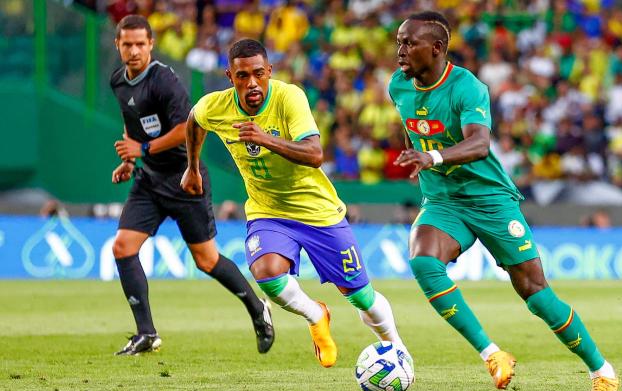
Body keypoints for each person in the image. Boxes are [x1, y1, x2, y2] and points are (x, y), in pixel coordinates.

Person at [390, 11, 618, 391]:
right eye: (399, 41)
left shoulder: (467, 87)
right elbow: (415, 128)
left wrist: (434, 158)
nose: (400, 51)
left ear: (438, 48)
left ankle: (602, 370)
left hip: (490, 200)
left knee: (535, 293)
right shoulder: (398, 85)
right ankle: (493, 354)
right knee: (424, 262)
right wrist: (417, 156)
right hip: (443, 200)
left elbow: (480, 144)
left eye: (410, 43)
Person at [181, 38, 405, 368]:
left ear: (269, 71)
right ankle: (316, 315)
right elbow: (194, 121)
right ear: (230, 77)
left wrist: (263, 138)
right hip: (267, 210)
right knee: (267, 273)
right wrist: (191, 167)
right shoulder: (216, 106)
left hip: (317, 211)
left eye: (259, 73)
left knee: (360, 296)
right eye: (243, 76)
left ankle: (398, 349)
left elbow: (315, 154)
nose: (252, 83)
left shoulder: (289, 97)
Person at [109, 15, 273, 356]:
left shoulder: (163, 80)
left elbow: (186, 125)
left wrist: (143, 150)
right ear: (118, 46)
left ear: (151, 44)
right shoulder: (119, 82)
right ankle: (146, 334)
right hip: (149, 180)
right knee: (123, 247)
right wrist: (129, 160)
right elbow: (133, 127)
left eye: (141, 43)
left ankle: (258, 309)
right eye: (128, 44)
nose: (134, 50)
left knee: (207, 260)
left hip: (186, 177)